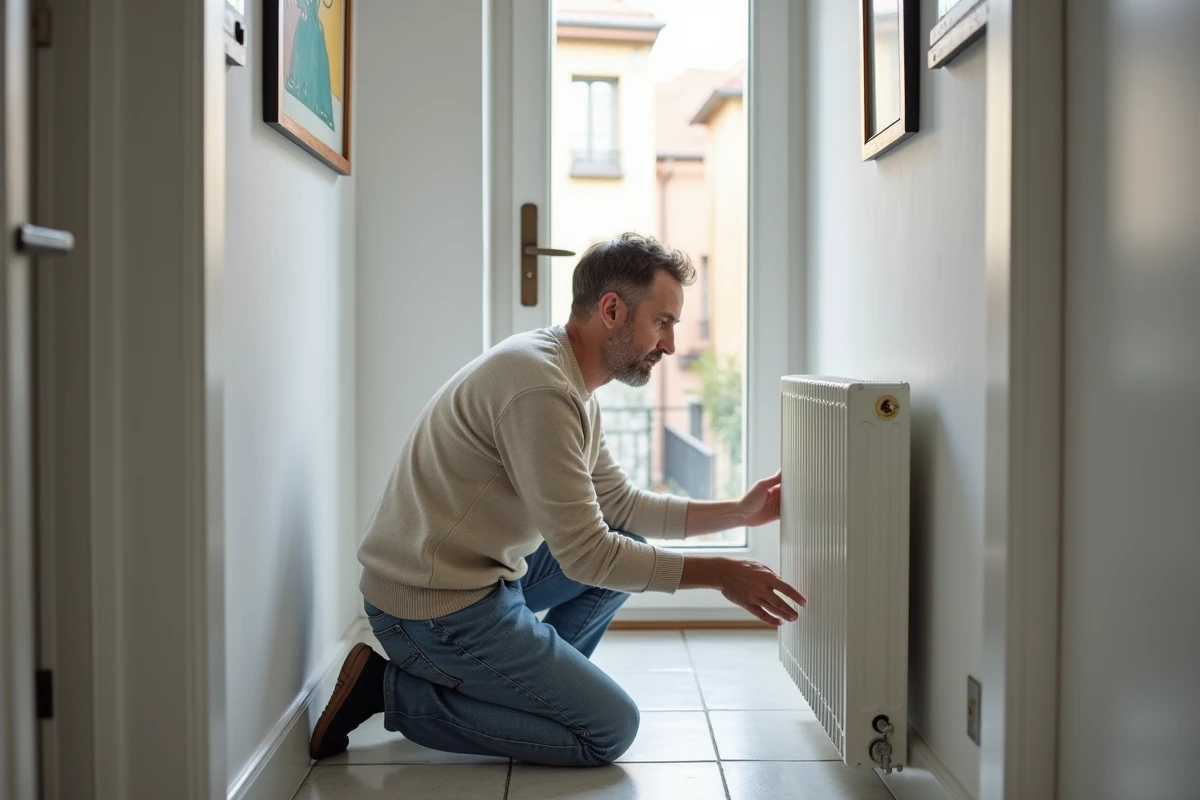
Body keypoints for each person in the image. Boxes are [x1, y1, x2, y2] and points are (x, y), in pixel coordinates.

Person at [308, 233, 806, 766]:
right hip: (431, 609)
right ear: (612, 310)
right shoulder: (541, 389)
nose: (670, 345)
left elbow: (620, 505)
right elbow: (588, 555)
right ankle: (387, 690)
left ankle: (537, 690)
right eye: (662, 322)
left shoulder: (569, 378)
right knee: (608, 730)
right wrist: (722, 574)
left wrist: (739, 512)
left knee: (627, 541)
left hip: (477, 581)